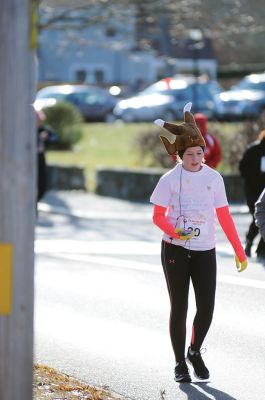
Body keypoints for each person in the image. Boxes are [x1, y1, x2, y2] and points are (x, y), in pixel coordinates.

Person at [150, 102, 247, 383]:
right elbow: (157, 216)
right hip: (175, 248)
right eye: (190, 154)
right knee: (179, 306)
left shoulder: (214, 179)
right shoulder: (169, 180)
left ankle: (194, 351)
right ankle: (180, 363)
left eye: (199, 153)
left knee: (206, 307)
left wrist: (240, 252)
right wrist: (176, 232)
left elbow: (225, 217)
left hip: (206, 249)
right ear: (179, 156)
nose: (196, 158)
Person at [239, 130, 265, 259]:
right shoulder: (253, 150)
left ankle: (259, 248)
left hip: (263, 191)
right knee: (258, 218)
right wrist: (251, 182)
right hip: (253, 192)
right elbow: (242, 168)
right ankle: (250, 243)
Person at [36, 110, 58, 202]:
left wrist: (47, 138)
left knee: (42, 184)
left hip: (40, 158)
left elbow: (55, 138)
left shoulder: (44, 129)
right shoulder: (26, 130)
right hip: (30, 160)